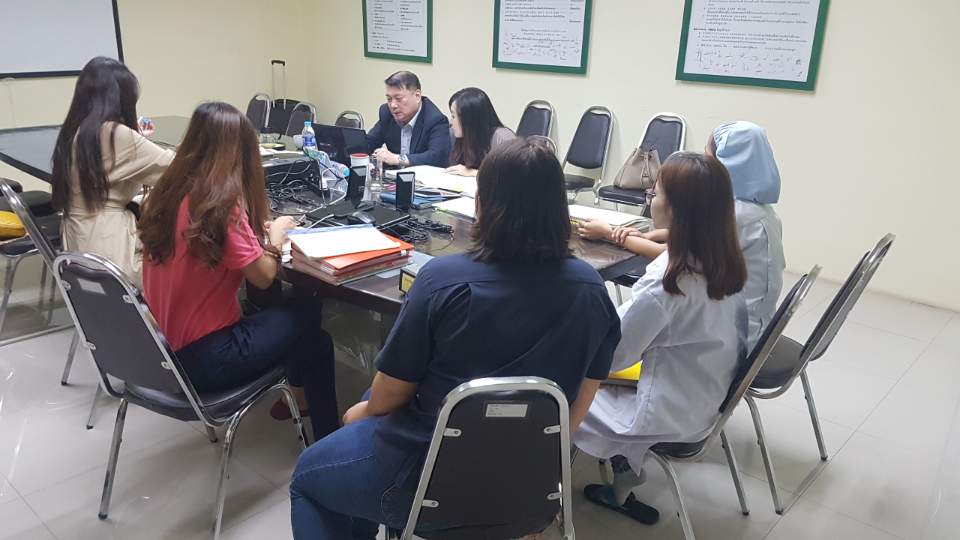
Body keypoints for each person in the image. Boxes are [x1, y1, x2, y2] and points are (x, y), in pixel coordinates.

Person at [289, 138, 622, 539]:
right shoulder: (592, 290)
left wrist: (358, 416)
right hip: (528, 493)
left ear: (482, 205)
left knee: (308, 478)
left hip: (425, 484)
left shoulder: (442, 280)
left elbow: (391, 394)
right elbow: (575, 411)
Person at [138, 102, 339, 441]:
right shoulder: (219, 205)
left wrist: (249, 232)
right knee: (309, 316)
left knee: (303, 329)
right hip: (207, 358)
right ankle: (327, 438)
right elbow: (263, 276)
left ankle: (298, 403)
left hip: (166, 351)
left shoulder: (165, 193)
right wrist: (275, 237)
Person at [574, 152, 747, 524]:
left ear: (677, 209)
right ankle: (623, 467)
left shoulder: (668, 282)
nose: (650, 197)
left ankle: (544, 485)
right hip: (704, 397)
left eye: (656, 192)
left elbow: (612, 355)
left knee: (562, 390)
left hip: (665, 413)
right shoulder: (720, 260)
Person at [51, 56, 174, 286]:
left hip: (79, 243)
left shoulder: (76, 131)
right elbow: (174, 168)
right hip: (110, 248)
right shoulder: (114, 134)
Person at [707, 121, 785, 351]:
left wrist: (625, 239)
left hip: (734, 340)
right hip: (758, 327)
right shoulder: (761, 212)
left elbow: (679, 256)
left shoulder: (733, 216)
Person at [366, 71, 451, 168]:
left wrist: (398, 159)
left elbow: (437, 157)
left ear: (417, 96)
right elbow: (369, 143)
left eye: (398, 98)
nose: (393, 105)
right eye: (389, 99)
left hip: (420, 176)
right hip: (393, 175)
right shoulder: (387, 113)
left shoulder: (435, 120)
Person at [444, 87, 516, 177]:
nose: (451, 122)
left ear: (470, 119)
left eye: (453, 116)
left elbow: (514, 177)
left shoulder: (502, 138)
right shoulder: (454, 135)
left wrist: (474, 173)